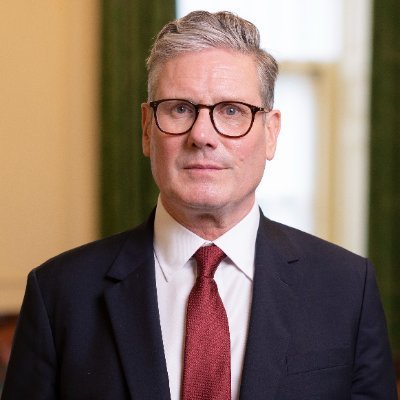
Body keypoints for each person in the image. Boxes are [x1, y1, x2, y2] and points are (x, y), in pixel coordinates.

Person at [2, 10, 397, 400]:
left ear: (271, 132)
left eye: (232, 110)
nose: (202, 135)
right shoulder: (58, 293)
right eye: (180, 108)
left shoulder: (347, 287)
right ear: (147, 128)